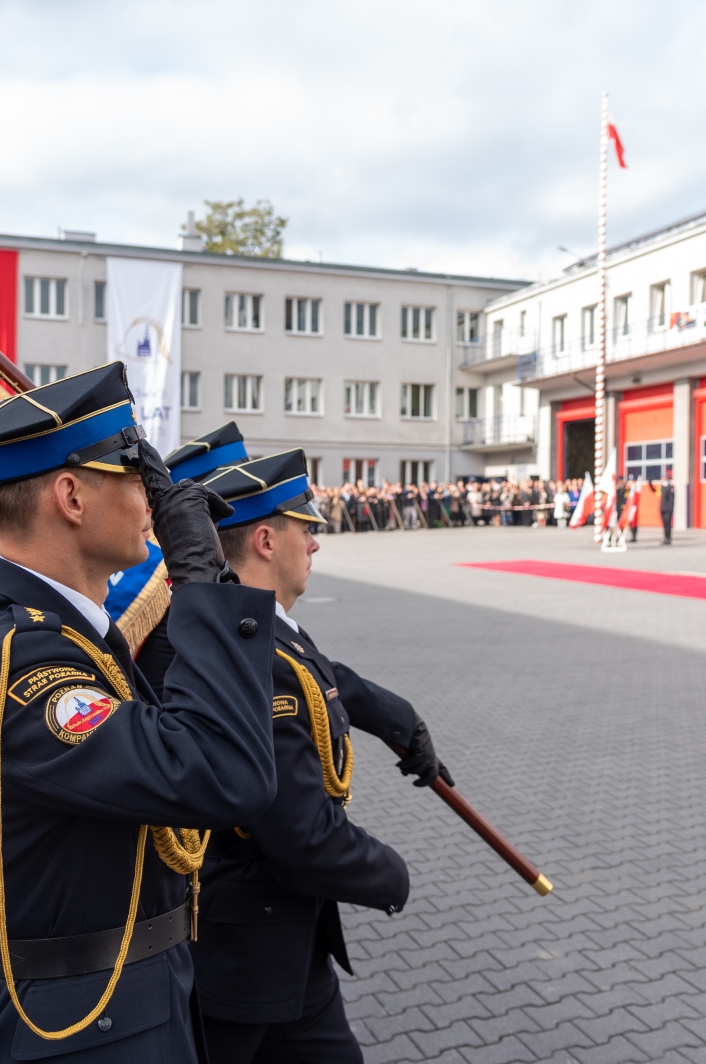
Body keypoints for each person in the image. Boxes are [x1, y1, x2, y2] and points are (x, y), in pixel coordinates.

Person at [0, 362, 279, 1064]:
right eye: (138, 478)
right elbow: (222, 773)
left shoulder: (69, 638)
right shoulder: (18, 663)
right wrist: (201, 579)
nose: (156, 500)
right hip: (79, 1031)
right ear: (72, 497)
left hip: (121, 1007)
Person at [179, 443, 449, 1064]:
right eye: (306, 529)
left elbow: (323, 676)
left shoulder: (261, 631)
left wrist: (398, 718)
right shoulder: (246, 652)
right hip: (241, 954)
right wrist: (390, 873)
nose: (316, 544)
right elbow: (299, 834)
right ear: (266, 542)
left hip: (289, 943)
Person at [658, 469, 677, 545]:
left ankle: (668, 538)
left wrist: (671, 508)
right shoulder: (662, 486)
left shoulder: (670, 487)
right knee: (664, 524)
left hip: (668, 509)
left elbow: (672, 499)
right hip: (662, 508)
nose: (663, 478)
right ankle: (665, 538)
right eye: (662, 477)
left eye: (664, 477)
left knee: (668, 524)